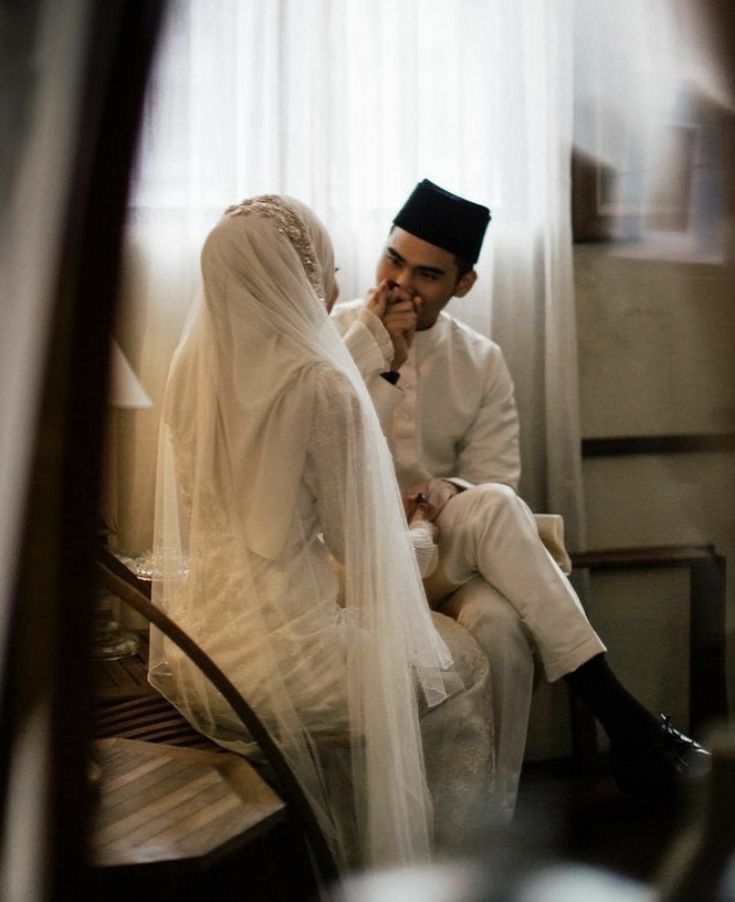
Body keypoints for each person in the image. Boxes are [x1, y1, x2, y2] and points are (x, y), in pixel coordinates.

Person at [332, 178, 709, 818]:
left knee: (502, 620)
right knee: (503, 551)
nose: (399, 283)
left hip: (444, 557)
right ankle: (630, 724)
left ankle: (490, 821)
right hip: (356, 558)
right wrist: (379, 356)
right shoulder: (334, 337)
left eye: (427, 273)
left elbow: (496, 479)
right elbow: (318, 452)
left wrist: (445, 490)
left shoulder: (481, 360)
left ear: (464, 284)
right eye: (393, 258)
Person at [148, 194, 494, 874]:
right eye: (329, 268)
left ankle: (320, 852)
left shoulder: (191, 373)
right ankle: (434, 869)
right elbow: (366, 556)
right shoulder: (319, 387)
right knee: (460, 661)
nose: (340, 286)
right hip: (289, 663)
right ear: (297, 280)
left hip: (202, 654)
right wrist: (422, 535)